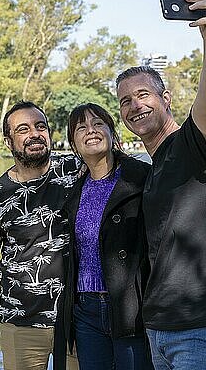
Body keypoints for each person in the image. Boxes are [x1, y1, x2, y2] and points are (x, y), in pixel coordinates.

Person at [115, 0, 206, 369]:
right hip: (161, 324)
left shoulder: (193, 142)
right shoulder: (152, 166)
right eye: (125, 101)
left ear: (166, 99)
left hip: (204, 324)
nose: (135, 105)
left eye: (143, 95)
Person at [0, 101, 79, 370]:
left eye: (41, 127)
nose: (35, 134)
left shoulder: (76, 170)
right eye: (23, 129)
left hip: (77, 317)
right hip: (21, 320)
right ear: (9, 141)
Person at [61, 103, 154, 370]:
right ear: (73, 143)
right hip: (86, 311)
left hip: (129, 307)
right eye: (81, 128)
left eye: (98, 124)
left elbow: (172, 223)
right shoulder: (74, 190)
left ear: (113, 134)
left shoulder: (140, 178)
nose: (91, 131)